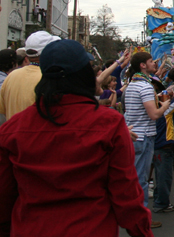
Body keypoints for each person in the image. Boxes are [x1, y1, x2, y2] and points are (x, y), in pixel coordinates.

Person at [0, 39, 154, 236]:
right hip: (91, 228)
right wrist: (143, 232)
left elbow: (4, 197)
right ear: (85, 74)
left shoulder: (13, 128)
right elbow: (126, 196)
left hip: (31, 228)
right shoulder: (109, 124)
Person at [124, 51, 172, 222]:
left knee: (137, 177)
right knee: (141, 179)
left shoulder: (132, 84)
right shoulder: (144, 86)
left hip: (135, 135)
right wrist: (164, 106)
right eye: (151, 61)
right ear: (143, 65)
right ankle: (142, 218)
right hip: (143, 136)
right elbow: (153, 114)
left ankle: (136, 215)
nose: (154, 64)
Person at [0, 31, 60, 124]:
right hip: (38, 132)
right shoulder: (49, 78)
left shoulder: (11, 76)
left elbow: (3, 109)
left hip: (13, 130)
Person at [151, 72, 174, 214]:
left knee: (159, 175)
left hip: (156, 145)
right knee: (164, 176)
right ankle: (161, 203)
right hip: (164, 145)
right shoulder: (164, 112)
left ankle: (159, 199)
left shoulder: (151, 111)